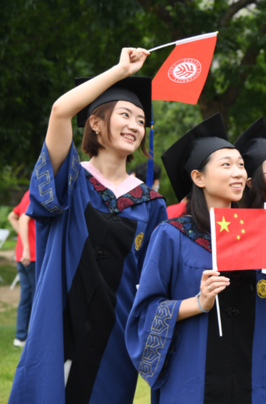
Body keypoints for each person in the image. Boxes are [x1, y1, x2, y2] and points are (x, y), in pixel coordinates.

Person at [10, 48, 167, 404]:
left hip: (115, 333)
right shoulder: (71, 179)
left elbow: (154, 278)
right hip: (60, 324)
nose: (135, 126)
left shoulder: (150, 203)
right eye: (125, 114)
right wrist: (120, 70)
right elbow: (60, 111)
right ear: (95, 122)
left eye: (141, 121)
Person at [126, 113, 266, 403]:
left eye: (241, 165)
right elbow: (146, 311)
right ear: (198, 177)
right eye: (226, 165)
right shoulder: (172, 235)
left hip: (248, 375)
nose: (238, 173)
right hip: (193, 380)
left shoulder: (258, 231)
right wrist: (198, 302)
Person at [7, 191, 36, 348]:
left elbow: (12, 216)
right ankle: (30, 337)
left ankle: (20, 337)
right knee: (35, 297)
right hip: (31, 256)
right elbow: (24, 220)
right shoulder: (37, 192)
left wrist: (22, 239)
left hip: (23, 255)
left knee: (26, 297)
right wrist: (27, 246)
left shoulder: (28, 193)